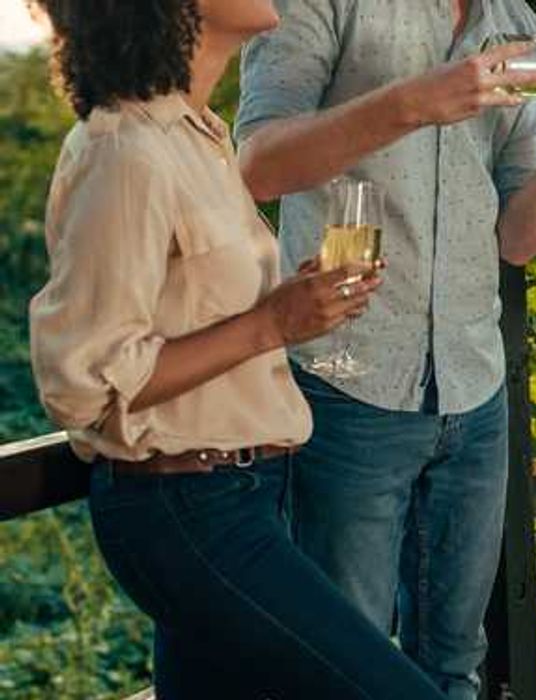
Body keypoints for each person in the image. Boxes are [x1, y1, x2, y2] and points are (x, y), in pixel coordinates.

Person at [233, 1, 536, 696]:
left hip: (473, 389)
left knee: (454, 663)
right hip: (348, 382)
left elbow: (516, 238)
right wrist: (410, 103)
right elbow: (257, 165)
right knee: (345, 663)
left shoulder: (515, 24)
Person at [27, 1, 448, 698]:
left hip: (246, 496)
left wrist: (289, 306)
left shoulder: (199, 137)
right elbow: (83, 385)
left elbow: (194, 314)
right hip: (186, 507)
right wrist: (271, 323)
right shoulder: (124, 150)